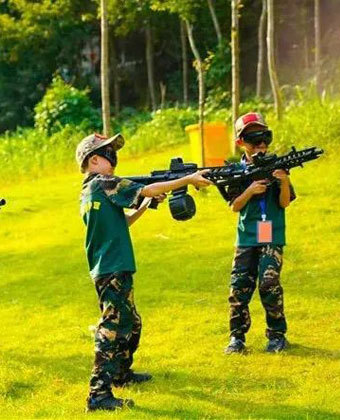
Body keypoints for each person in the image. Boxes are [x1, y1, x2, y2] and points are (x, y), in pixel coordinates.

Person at [76, 133, 212, 411]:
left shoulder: (90, 191)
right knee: (112, 327)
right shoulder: (103, 182)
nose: (114, 159)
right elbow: (149, 188)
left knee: (131, 322)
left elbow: (121, 222)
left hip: (109, 266)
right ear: (94, 160)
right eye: (109, 154)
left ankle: (121, 374)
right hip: (112, 266)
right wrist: (188, 179)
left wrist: (144, 206)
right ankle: (98, 394)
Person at [222, 112, 294, 354]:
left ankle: (277, 335)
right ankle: (236, 338)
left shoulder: (277, 165)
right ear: (240, 142)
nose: (261, 144)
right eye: (254, 139)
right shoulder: (235, 171)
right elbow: (235, 206)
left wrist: (283, 181)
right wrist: (250, 190)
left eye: (265, 138)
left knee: (269, 282)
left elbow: (284, 203)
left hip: (272, 235)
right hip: (246, 237)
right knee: (239, 287)